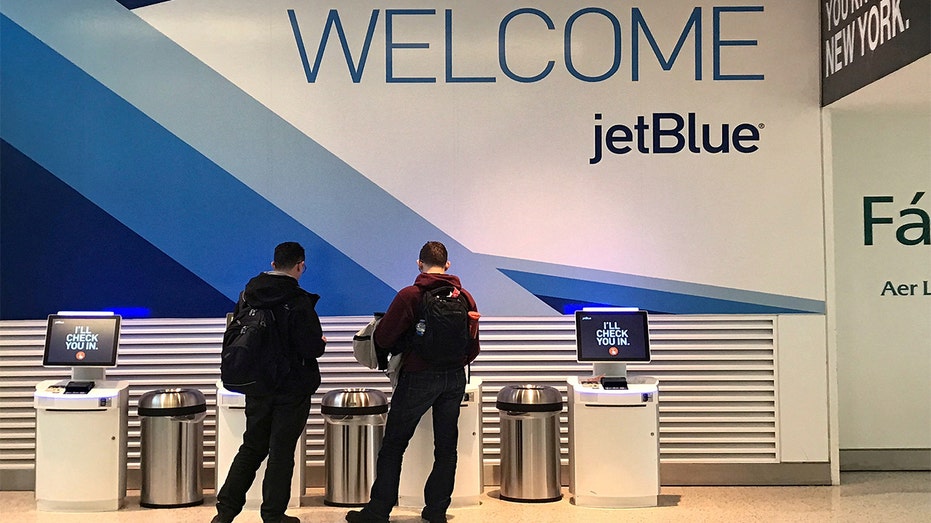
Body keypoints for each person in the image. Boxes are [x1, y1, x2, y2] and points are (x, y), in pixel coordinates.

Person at [347, 241, 480, 523]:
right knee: (446, 447)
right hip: (454, 378)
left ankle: (378, 511)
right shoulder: (465, 297)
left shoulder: (410, 295)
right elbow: (473, 346)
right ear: (447, 265)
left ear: (419, 264)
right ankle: (436, 511)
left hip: (418, 376)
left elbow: (383, 339)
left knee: (394, 444)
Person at [212, 242, 327, 523]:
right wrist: (320, 343)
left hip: (257, 385)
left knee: (252, 447)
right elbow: (310, 347)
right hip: (291, 388)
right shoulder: (298, 301)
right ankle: (274, 515)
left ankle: (225, 512)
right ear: (300, 266)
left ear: (273, 265)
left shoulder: (248, 295)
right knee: (281, 452)